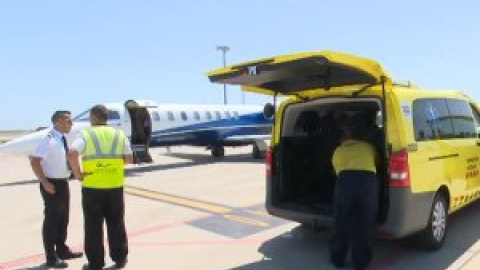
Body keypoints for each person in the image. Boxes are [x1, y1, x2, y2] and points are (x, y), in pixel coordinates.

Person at [68, 104, 133, 270]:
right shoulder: (119, 134)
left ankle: (96, 263)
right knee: (117, 223)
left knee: (93, 226)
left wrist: (77, 174)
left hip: (93, 188)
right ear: (106, 118)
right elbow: (129, 158)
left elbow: (72, 152)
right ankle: (120, 258)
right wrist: (113, 166)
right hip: (115, 187)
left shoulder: (86, 134)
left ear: (93, 117)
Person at [29, 110, 83, 269]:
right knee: (52, 221)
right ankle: (51, 257)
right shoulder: (48, 139)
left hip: (62, 183)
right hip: (52, 184)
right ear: (58, 122)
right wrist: (45, 183)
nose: (71, 123)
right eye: (68, 121)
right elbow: (34, 161)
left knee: (63, 219)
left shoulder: (62, 138)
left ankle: (62, 250)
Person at [330, 116, 379, 270]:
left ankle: (338, 259)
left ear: (344, 139)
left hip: (346, 182)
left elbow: (337, 171)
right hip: (367, 183)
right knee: (364, 223)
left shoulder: (338, 151)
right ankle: (361, 262)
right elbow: (377, 162)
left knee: (341, 222)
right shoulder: (369, 148)